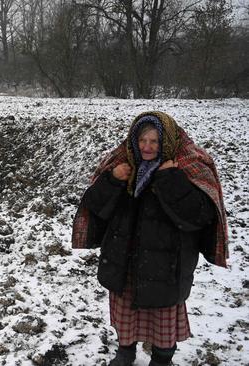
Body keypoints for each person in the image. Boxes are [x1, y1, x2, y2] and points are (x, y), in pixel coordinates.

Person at [71, 111, 228, 366]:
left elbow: (199, 216)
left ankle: (161, 360)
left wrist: (169, 179)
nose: (147, 147)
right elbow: (95, 205)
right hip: (126, 259)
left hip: (167, 265)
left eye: (154, 141)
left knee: (162, 318)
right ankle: (125, 353)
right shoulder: (124, 164)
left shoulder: (187, 168)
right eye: (143, 140)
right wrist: (112, 180)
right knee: (126, 314)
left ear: (166, 141)